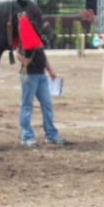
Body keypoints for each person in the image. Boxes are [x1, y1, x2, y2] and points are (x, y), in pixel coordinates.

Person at [17, 12, 66, 148]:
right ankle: (27, 136)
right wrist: (24, 61)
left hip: (41, 75)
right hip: (29, 76)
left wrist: (50, 71)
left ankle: (51, 134)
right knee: (27, 106)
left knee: (47, 104)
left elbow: (43, 56)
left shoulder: (37, 38)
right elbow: (18, 53)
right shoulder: (24, 37)